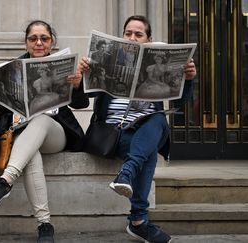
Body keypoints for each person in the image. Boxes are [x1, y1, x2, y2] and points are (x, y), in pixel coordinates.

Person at [79, 15, 197, 243]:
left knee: (158, 119)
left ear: (148, 39)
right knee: (148, 149)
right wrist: (81, 77)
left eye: (138, 34)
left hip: (143, 130)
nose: (132, 38)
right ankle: (138, 221)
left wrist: (189, 80)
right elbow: (83, 99)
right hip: (112, 134)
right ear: (123, 36)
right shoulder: (109, 61)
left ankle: (127, 173)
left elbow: (180, 105)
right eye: (128, 33)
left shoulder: (158, 66)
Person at [0, 20, 89, 243]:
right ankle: (44, 224)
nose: (38, 43)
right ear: (26, 42)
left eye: (44, 38)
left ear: (51, 42)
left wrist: (77, 85)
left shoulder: (63, 65)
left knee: (40, 117)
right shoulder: (11, 68)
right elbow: (0, 107)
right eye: (33, 39)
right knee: (31, 156)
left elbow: (81, 104)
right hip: (23, 136)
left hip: (55, 133)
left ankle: (6, 180)